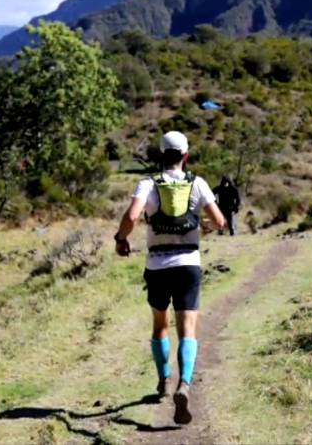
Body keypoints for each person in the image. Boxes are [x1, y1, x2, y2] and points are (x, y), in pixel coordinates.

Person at [114, 131, 225, 425]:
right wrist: (205, 227)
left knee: (160, 325)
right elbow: (220, 220)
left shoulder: (148, 183)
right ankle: (184, 385)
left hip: (157, 265)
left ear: (162, 156)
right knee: (187, 328)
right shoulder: (197, 183)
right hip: (189, 264)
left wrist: (120, 239)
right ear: (186, 156)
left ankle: (164, 380)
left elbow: (132, 216)